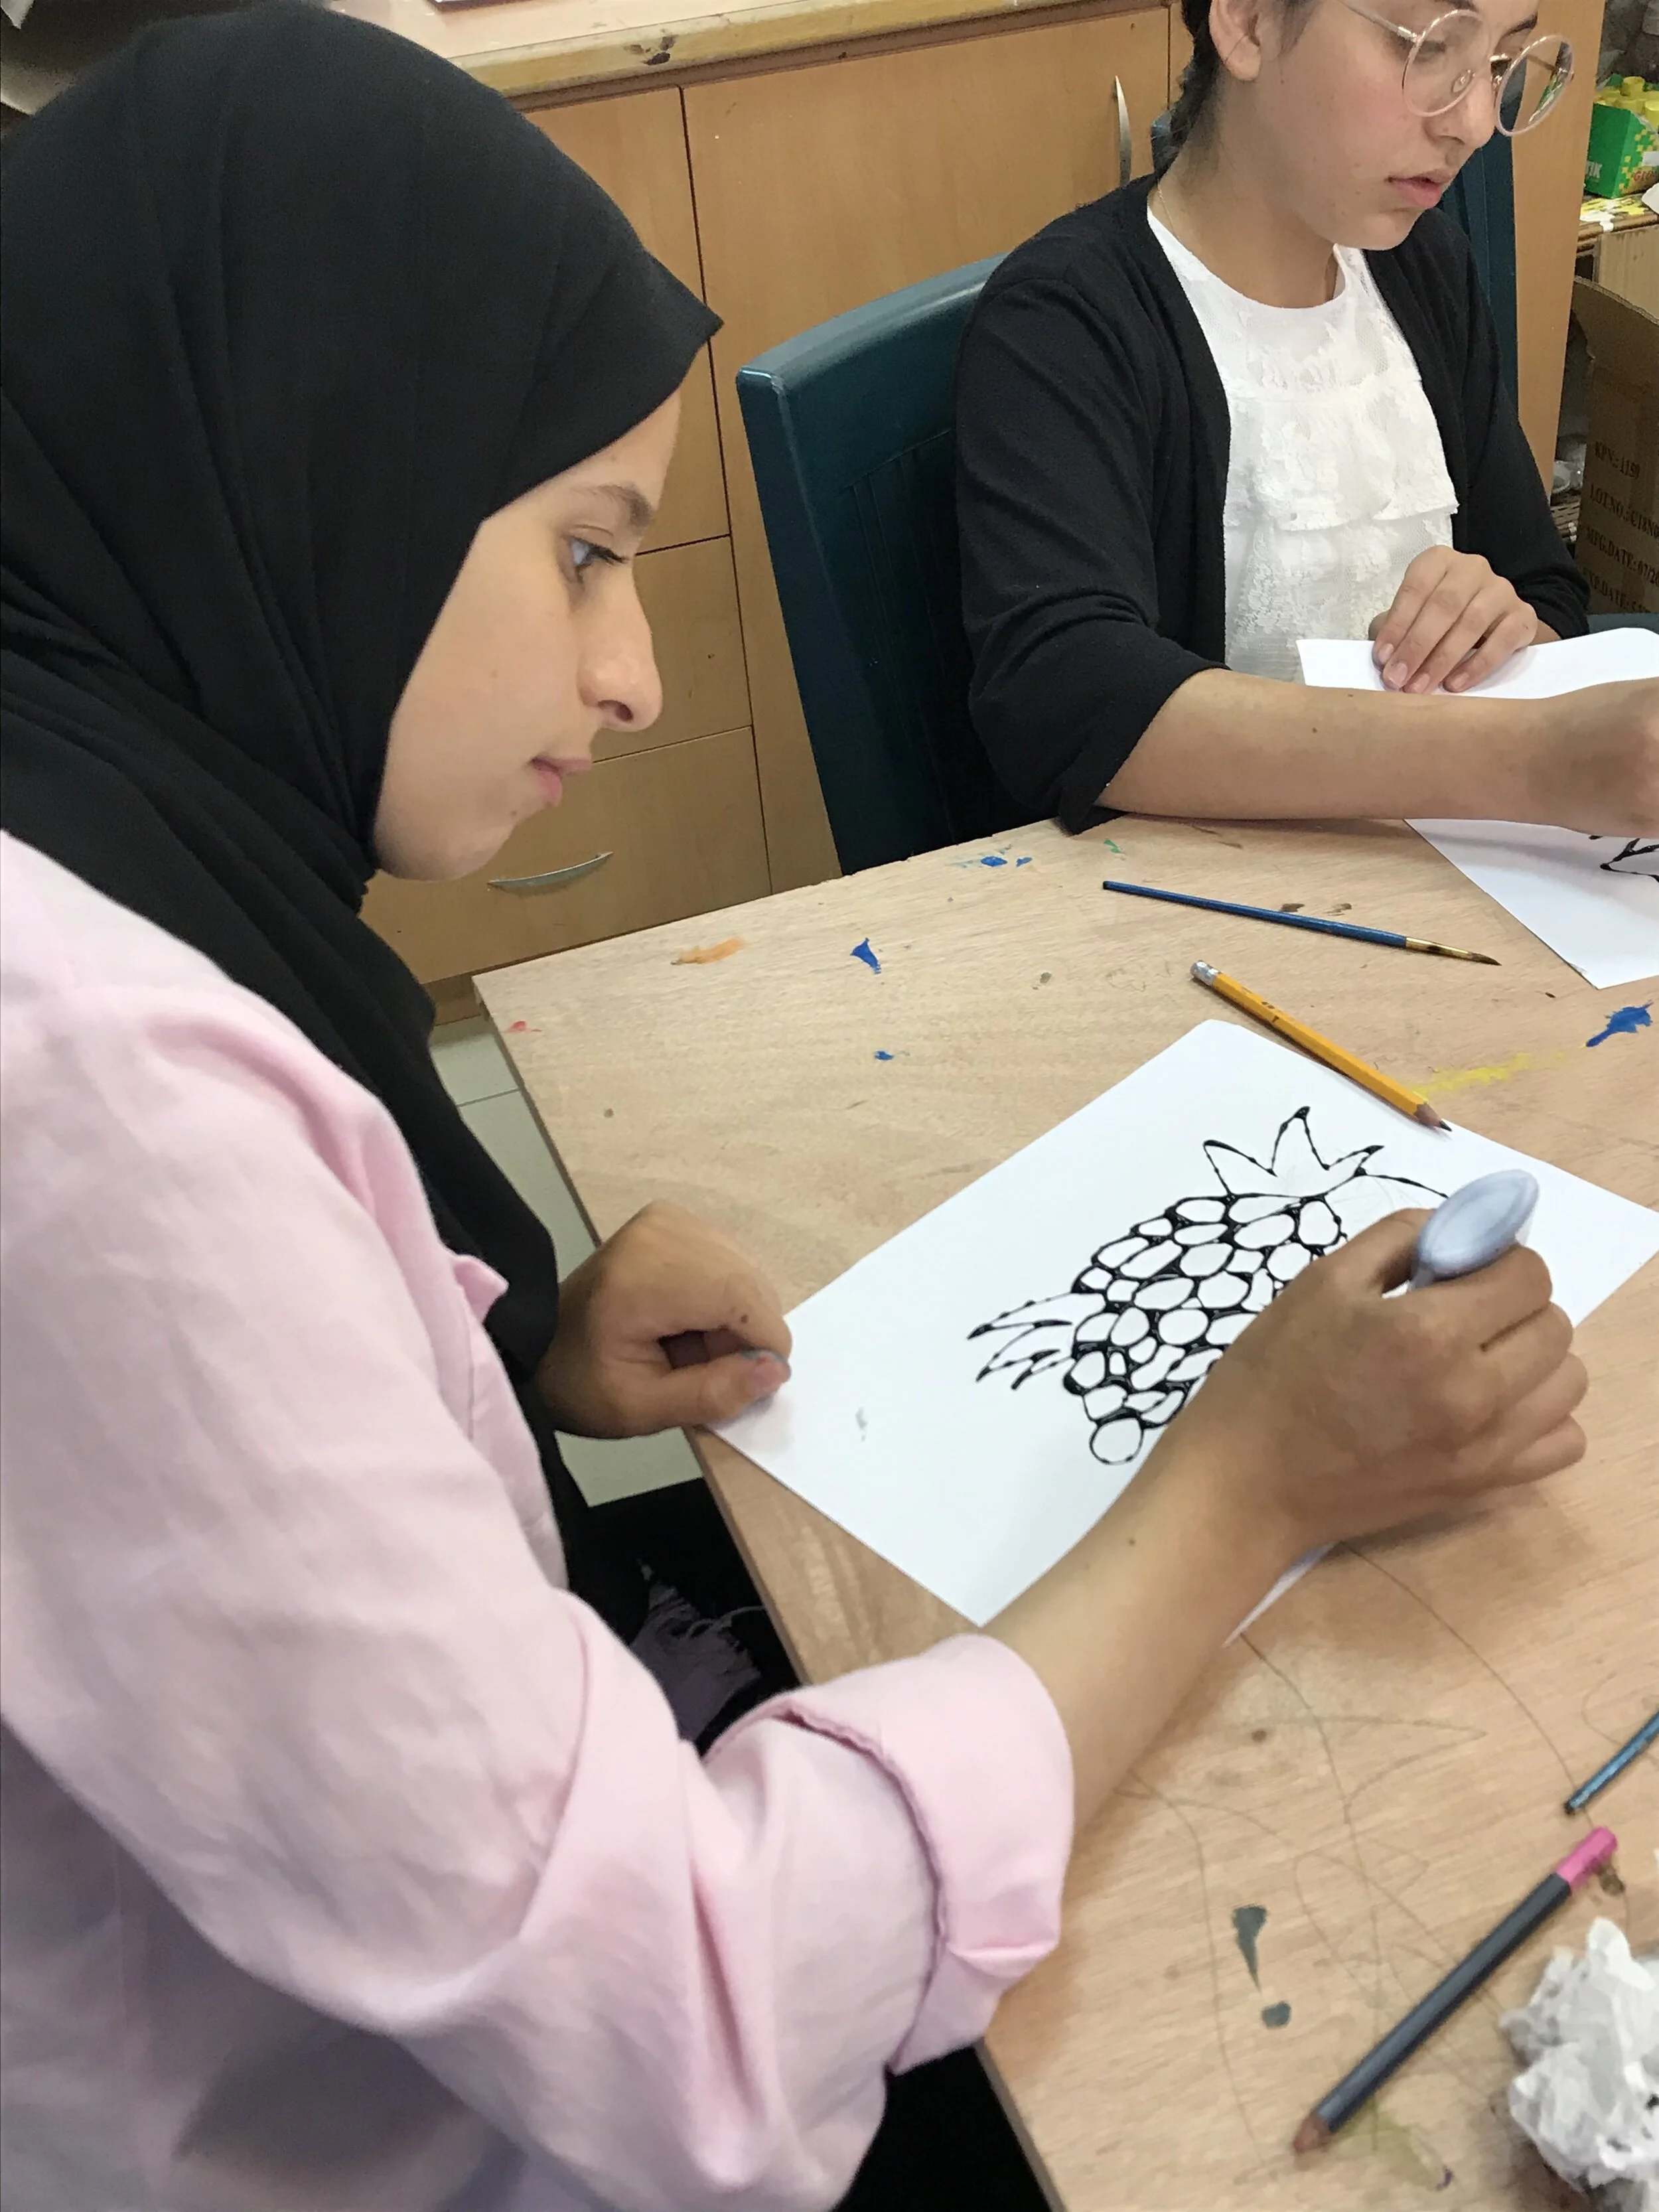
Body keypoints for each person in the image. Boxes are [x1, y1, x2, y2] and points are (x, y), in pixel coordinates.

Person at [0, 10, 1591, 2209]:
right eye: (582, 548)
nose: (638, 671)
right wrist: (1246, 1480)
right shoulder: (94, 1104)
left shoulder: (105, 816)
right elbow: (700, 2016)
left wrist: (500, 1342)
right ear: (309, 471)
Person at [956, 0, 1659, 837]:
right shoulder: (1065, 319)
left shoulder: (1422, 269)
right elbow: (1067, 696)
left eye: (1502, 65)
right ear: (1250, 23)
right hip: (1205, 906)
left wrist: (1496, 621)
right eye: (1431, 49)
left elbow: (1543, 585)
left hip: (1443, 874)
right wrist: (1525, 759)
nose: (1473, 123)